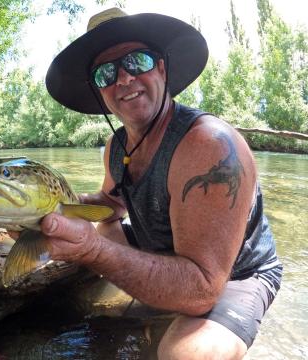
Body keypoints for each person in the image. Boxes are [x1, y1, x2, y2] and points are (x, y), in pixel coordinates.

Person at [43, 7, 282, 359]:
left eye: (136, 61)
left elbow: (203, 289)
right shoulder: (117, 145)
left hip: (234, 275)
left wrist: (92, 251)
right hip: (167, 251)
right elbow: (112, 204)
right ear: (100, 91)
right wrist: (57, 208)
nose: (123, 79)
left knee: (182, 354)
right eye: (106, 72)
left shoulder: (208, 144)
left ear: (161, 68)